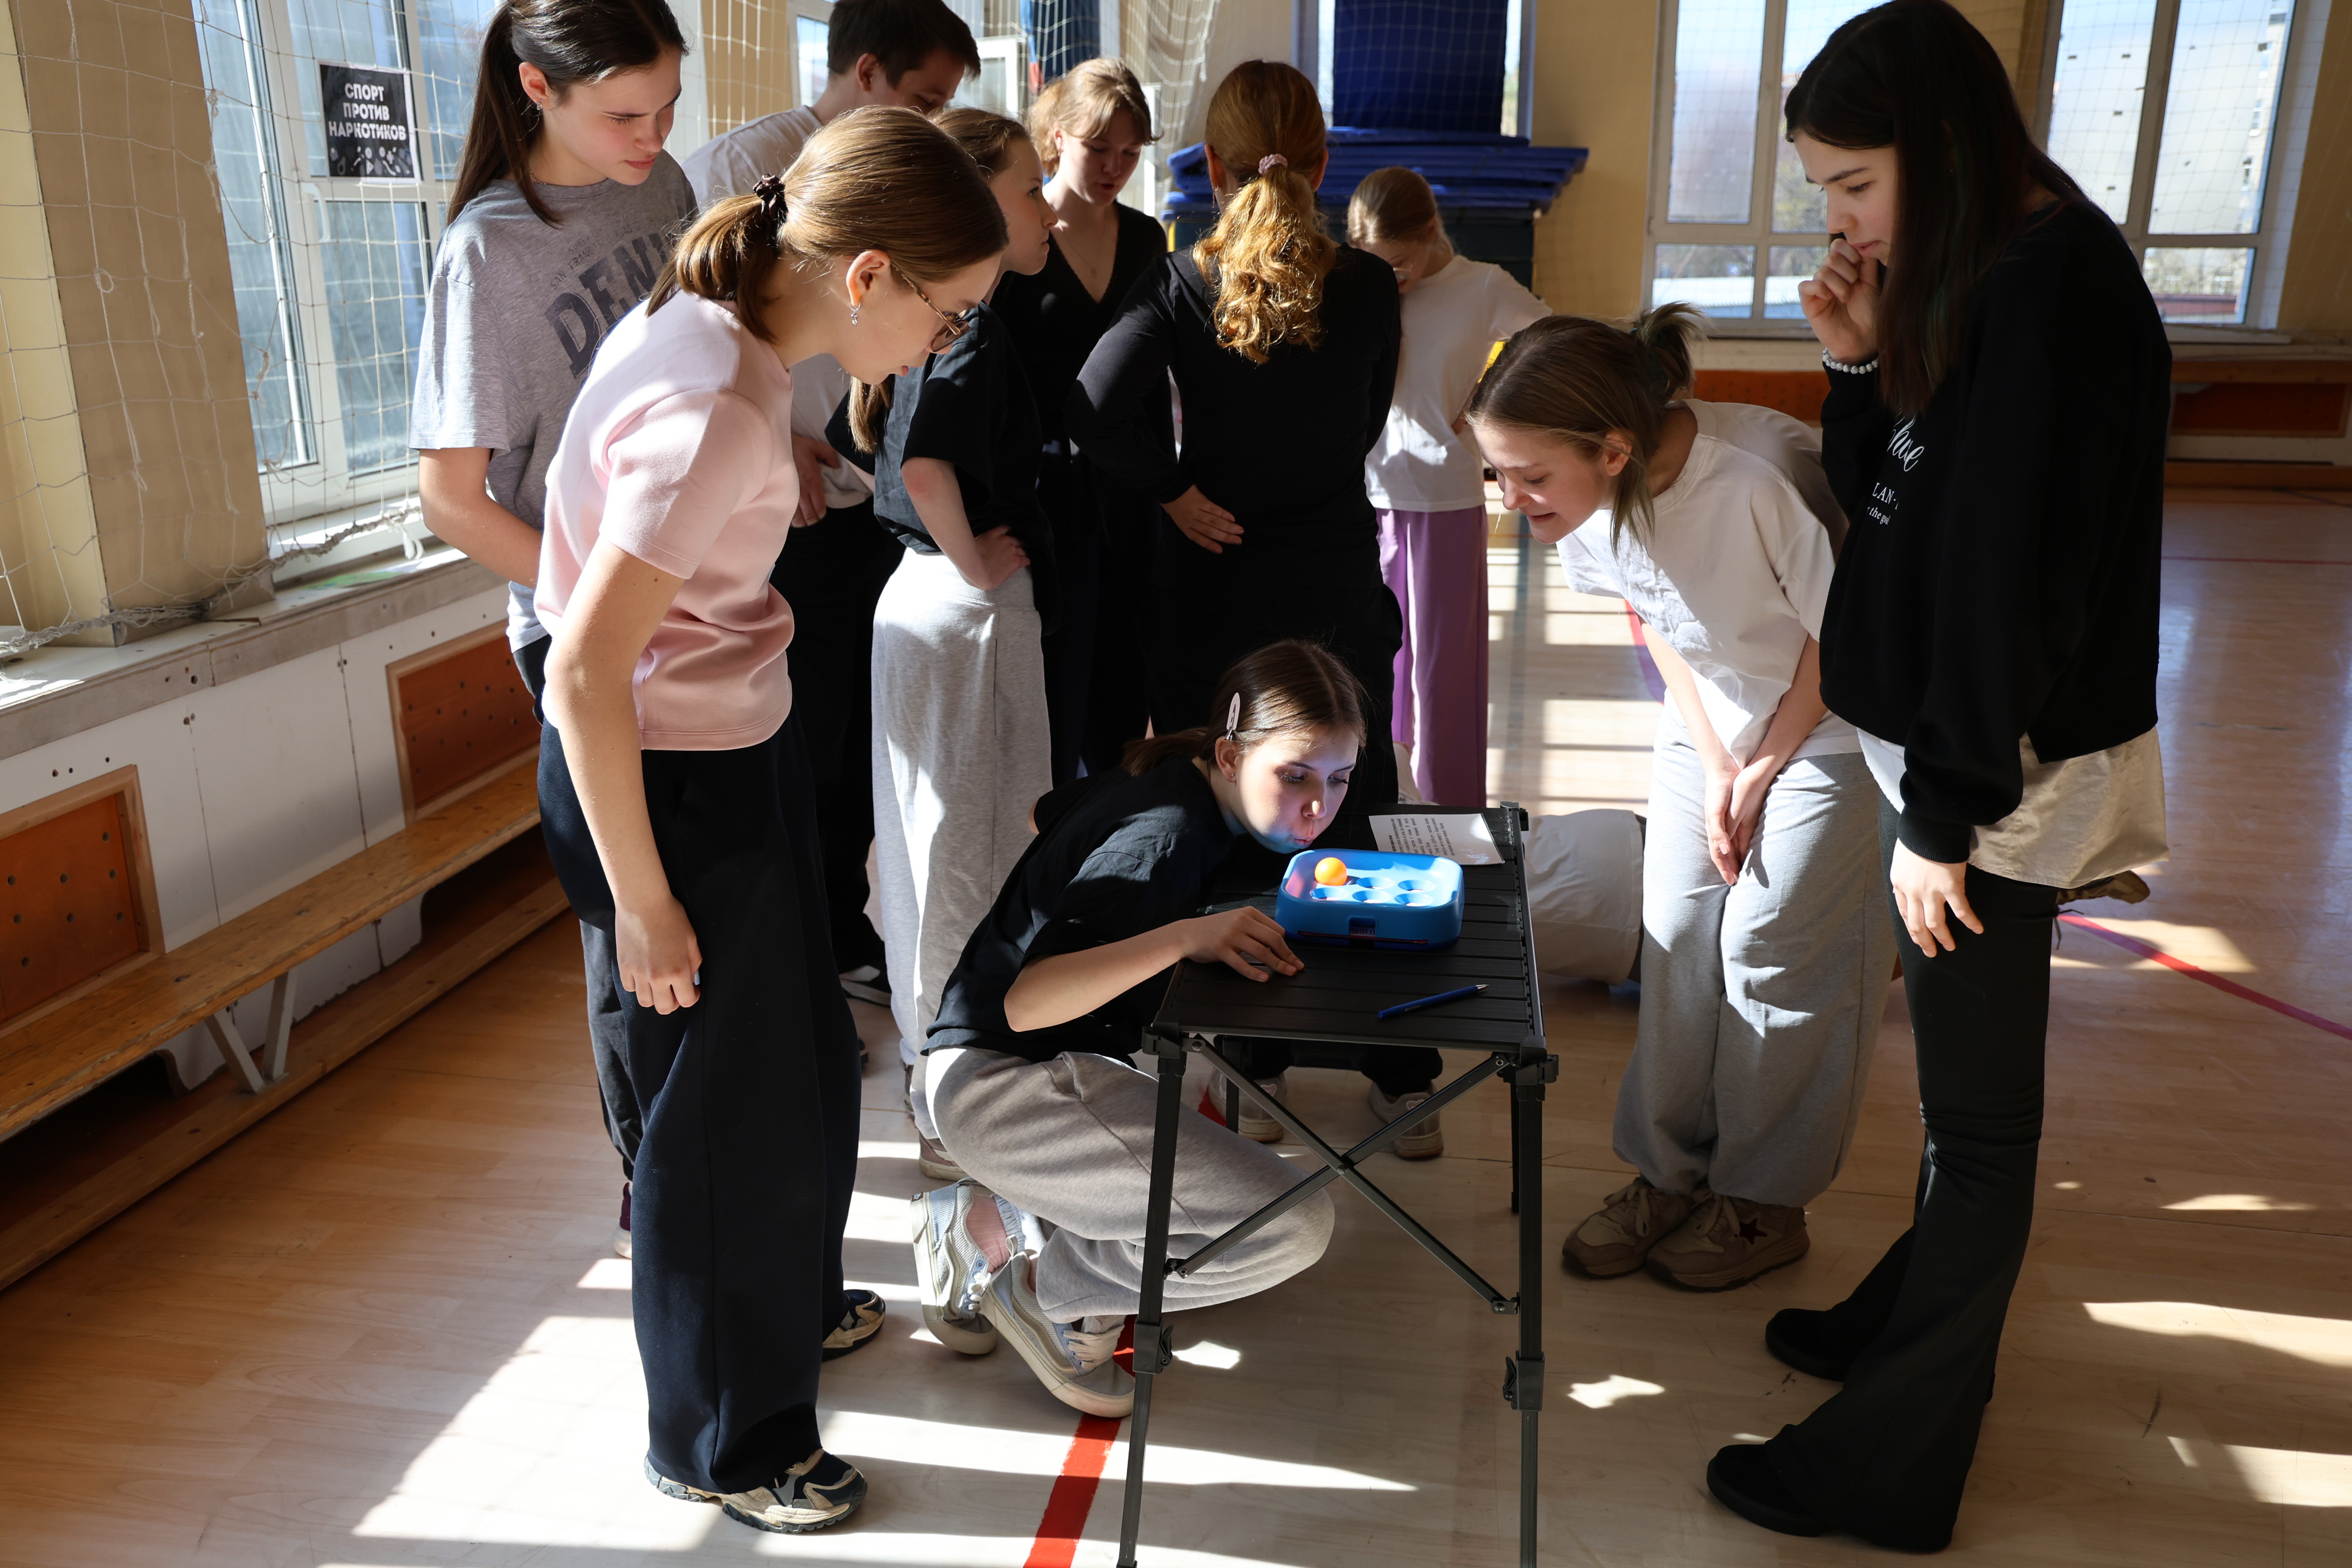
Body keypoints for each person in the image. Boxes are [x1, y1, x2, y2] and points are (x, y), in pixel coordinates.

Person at [1700, 0, 2170, 1550]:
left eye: (1854, 184)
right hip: (1954, 752)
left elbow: (2007, 584)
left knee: (1980, 1137)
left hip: (1995, 775)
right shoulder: (1986, 271)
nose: (1839, 222)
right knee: (1959, 1115)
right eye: (1823, 191)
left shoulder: (2052, 296)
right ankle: (1900, 1325)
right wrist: (1856, 370)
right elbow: (1907, 502)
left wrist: (1946, 812)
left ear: (1949, 145)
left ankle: (1890, 1471)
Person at [531, 107, 1008, 1535]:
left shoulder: (733, 345)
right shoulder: (715, 408)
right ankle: (721, 1436)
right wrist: (644, 901)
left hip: (731, 750)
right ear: (866, 275)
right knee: (725, 1122)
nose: (945, 344)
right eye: (948, 313)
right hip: (665, 786)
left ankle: (786, 1301)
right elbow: (580, 671)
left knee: (803, 1064)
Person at [1468, 306, 1894, 1293]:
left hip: (1835, 718)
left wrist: (1763, 765)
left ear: (1614, 450)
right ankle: (1667, 1177)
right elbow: (1650, 611)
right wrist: (1711, 762)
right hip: (1711, 720)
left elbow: (1843, 638)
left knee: (1770, 947)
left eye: (1528, 476)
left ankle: (1761, 1201)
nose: (1510, 500)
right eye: (1498, 474)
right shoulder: (1583, 497)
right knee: (1676, 932)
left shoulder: (1755, 477)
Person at [410, 0, 697, 1260]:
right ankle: (660, 1193)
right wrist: (594, 601)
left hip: (697, 607)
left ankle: (726, 1179)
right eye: (625, 112)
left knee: (712, 910)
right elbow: (449, 499)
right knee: (634, 921)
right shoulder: (488, 252)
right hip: (585, 631)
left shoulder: (663, 186)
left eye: (668, 106)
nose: (654, 135)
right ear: (538, 88)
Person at [909, 641, 1360, 1416]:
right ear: (1230, 755)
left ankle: (989, 1217)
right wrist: (1184, 935)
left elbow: (1045, 813)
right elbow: (1026, 1003)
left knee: (1226, 1197)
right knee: (1291, 1225)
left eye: (1339, 778)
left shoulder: (1176, 766)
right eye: (1295, 776)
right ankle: (1046, 1292)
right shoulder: (1168, 836)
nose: (1319, 804)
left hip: (1012, 1070)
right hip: (1006, 1089)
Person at [683, 0, 981, 1014]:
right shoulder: (744, 171)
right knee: (799, 752)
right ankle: (799, 958)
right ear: (865, 73)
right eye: (924, 101)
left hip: (850, 491)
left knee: (853, 741)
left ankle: (836, 937)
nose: (935, 123)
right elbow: (591, 665)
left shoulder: (892, 195)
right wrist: (774, 439)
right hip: (785, 510)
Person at [1068, 59, 1404, 819]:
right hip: (1333, 586)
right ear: (1322, 165)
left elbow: (1091, 409)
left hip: (1211, 589)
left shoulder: (1179, 281)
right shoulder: (1371, 283)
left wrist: (1173, 490)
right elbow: (1367, 425)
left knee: (1207, 807)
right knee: (1341, 808)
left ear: (1214, 167)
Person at [858, 107, 1058, 1180]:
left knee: (943, 853)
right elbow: (925, 466)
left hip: (937, 604)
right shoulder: (969, 327)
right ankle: (947, 1097)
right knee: (956, 861)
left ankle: (945, 1075)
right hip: (957, 608)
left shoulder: (959, 323)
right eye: (1030, 187)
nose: (1048, 207)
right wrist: (976, 561)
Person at [1347, 166, 1547, 806]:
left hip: (1446, 503)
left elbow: (1554, 339)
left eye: (1399, 262)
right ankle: (1378, 802)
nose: (1390, 277)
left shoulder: (1481, 286)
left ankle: (1455, 814)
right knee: (1376, 667)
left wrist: (1488, 396)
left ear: (1430, 231)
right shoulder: (1359, 283)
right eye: (1376, 262)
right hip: (1368, 501)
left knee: (1445, 676)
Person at [994, 58, 1170, 781]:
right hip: (1046, 493)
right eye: (1100, 148)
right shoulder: (1018, 238)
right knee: (1053, 682)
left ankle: (1116, 824)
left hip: (1126, 492)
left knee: (1125, 682)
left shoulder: (1146, 237)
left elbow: (1151, 382)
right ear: (1058, 136)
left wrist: (1164, 484)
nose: (1114, 168)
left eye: (1130, 153)